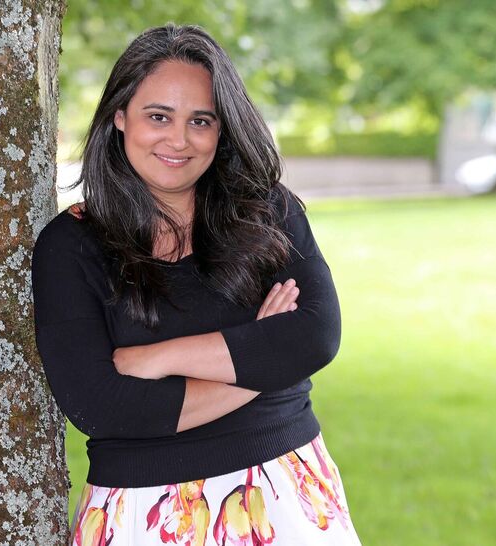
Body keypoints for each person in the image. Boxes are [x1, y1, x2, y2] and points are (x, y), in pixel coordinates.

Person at [31, 23, 363, 545]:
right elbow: (99, 405)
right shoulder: (71, 245)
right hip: (142, 513)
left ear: (221, 129)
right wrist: (262, 361)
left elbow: (315, 338)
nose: (178, 140)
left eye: (200, 121)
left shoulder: (266, 211)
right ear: (120, 117)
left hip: (284, 496)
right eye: (158, 116)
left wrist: (158, 359)